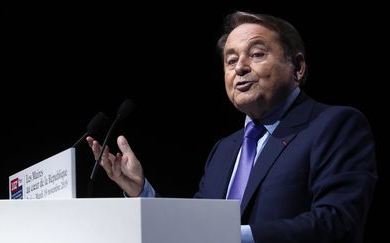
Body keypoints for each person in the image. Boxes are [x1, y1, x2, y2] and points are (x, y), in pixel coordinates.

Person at [86, 11, 377, 243]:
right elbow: (194, 229)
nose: (239, 67)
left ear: (297, 67)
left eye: (257, 54)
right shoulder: (225, 149)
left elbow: (338, 222)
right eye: (231, 60)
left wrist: (234, 236)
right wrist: (141, 192)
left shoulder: (335, 125)